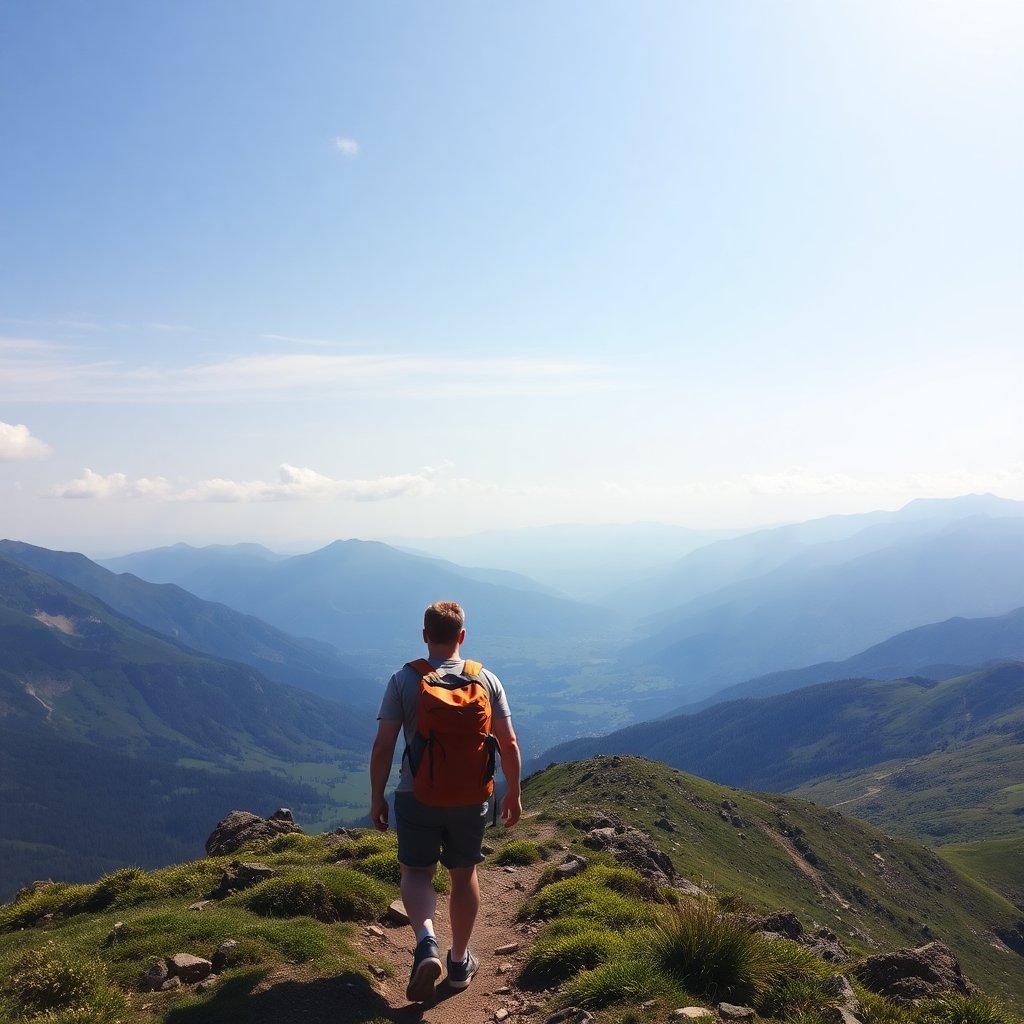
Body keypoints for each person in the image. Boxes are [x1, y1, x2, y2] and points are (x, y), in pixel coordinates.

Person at [370, 600, 522, 1003]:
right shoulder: (486, 680)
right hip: (472, 797)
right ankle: (458, 964)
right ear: (462, 636)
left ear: (425, 636)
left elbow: (384, 746)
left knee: (417, 873)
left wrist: (376, 799)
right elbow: (507, 743)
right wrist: (515, 794)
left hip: (416, 794)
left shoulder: (404, 680)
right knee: (463, 873)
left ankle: (426, 942)